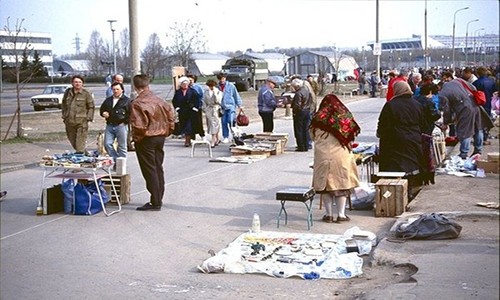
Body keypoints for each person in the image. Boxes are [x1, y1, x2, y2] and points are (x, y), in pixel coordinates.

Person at [310, 94, 361, 223]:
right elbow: (351, 134)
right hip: (340, 155)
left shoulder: (317, 117)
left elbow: (312, 135)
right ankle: (341, 215)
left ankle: (328, 215)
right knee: (341, 184)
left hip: (323, 156)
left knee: (325, 185)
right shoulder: (343, 116)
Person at [130, 74, 175, 211]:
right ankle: (158, 198)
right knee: (158, 167)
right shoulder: (160, 100)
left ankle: (155, 201)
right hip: (160, 136)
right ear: (148, 85)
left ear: (136, 87)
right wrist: (167, 132)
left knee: (149, 170)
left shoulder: (137, 103)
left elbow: (139, 126)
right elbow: (171, 118)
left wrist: (136, 139)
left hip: (146, 138)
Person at [377, 81, 426, 199]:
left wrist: (381, 134)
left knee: (396, 167)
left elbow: (384, 124)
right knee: (411, 165)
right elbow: (423, 124)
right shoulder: (417, 104)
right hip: (413, 140)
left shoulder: (391, 105)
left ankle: (395, 195)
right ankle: (409, 191)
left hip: (394, 141)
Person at [439, 71, 483, 158]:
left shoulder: (443, 93)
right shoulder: (459, 80)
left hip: (464, 108)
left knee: (465, 131)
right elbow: (473, 87)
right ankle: (478, 150)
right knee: (478, 127)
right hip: (475, 105)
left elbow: (446, 110)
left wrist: (445, 123)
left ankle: (464, 153)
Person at [61, 75, 95, 153]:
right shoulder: (68, 92)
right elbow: (63, 105)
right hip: (69, 121)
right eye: (76, 82)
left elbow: (91, 107)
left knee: (80, 143)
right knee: (73, 142)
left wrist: (88, 118)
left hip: (81, 122)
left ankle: (81, 159)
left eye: (80, 82)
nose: (78, 84)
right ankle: (85, 154)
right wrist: (64, 116)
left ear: (82, 84)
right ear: (72, 83)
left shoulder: (86, 94)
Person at [99, 82, 131, 163]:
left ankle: (122, 165)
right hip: (110, 125)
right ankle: (116, 160)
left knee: (122, 146)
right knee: (107, 144)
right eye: (114, 89)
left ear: (122, 90)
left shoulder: (127, 101)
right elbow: (102, 109)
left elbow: (131, 114)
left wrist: (125, 122)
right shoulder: (108, 100)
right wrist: (103, 113)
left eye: (117, 89)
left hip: (121, 126)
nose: (115, 91)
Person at [172, 77, 204, 147]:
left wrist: (195, 107)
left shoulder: (192, 91)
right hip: (182, 112)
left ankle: (187, 141)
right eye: (183, 84)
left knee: (189, 126)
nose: (185, 85)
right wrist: (177, 108)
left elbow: (197, 99)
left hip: (191, 112)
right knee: (184, 125)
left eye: (186, 84)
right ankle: (189, 140)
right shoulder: (178, 92)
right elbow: (174, 100)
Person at [473, 66, 497, 145]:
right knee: (487, 121)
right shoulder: (491, 82)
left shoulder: (476, 83)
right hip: (488, 103)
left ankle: (479, 139)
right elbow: (494, 91)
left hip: (478, 104)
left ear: (478, 73)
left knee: (478, 122)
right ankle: (485, 137)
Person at [217, 72, 242, 143]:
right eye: (220, 79)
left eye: (223, 78)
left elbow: (236, 95)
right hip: (222, 107)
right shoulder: (217, 87)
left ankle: (235, 135)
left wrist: (239, 105)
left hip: (231, 106)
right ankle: (226, 136)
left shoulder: (231, 86)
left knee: (231, 121)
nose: (222, 80)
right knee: (224, 122)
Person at [290, 78, 312, 152]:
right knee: (305, 129)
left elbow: (297, 105)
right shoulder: (307, 91)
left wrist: (294, 111)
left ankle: (301, 146)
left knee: (299, 129)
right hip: (307, 110)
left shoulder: (298, 93)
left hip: (300, 112)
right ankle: (306, 145)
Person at [202, 79, 222, 147]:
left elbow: (218, 101)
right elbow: (203, 101)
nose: (211, 87)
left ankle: (213, 140)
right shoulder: (206, 92)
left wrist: (215, 94)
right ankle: (217, 138)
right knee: (210, 124)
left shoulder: (218, 91)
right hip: (208, 110)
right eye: (209, 86)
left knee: (214, 124)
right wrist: (204, 109)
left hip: (215, 109)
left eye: (212, 86)